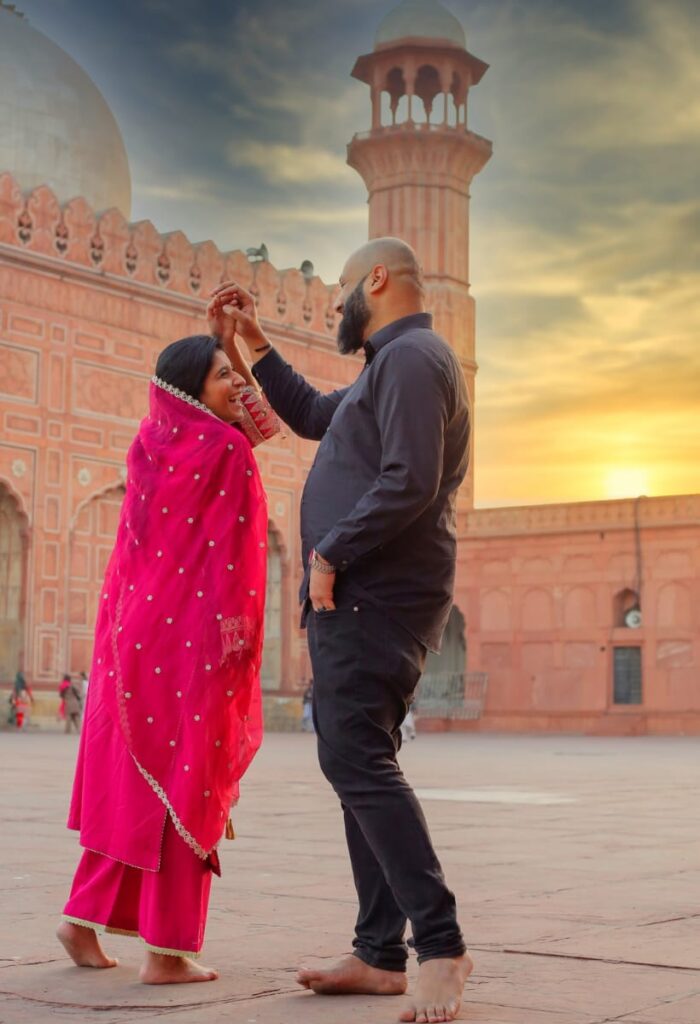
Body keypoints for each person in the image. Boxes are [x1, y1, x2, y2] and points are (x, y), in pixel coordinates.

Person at [210, 237, 473, 1024]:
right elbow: (316, 416)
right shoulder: (386, 368)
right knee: (356, 757)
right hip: (366, 595)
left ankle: (442, 944)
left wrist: (330, 551)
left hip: (376, 594)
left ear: (380, 280)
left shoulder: (415, 357)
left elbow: (410, 479)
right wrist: (254, 344)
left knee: (357, 759)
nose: (337, 307)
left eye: (344, 292)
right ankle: (378, 953)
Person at [57, 311, 278, 985]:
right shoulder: (226, 451)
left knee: (140, 779)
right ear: (194, 389)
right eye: (224, 377)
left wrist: (230, 351)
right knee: (189, 779)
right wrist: (238, 645)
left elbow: (255, 421)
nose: (237, 387)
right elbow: (265, 439)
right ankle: (167, 952)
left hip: (135, 633)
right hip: (195, 641)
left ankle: (80, 918)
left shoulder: (151, 440)